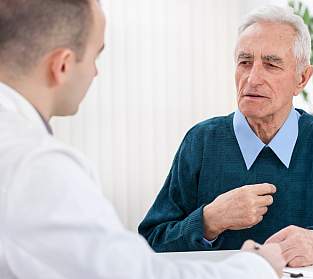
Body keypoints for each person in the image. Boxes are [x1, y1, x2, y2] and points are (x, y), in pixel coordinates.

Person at [0, 0, 286, 278]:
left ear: (303, 78)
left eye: (272, 65)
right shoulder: (35, 166)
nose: (95, 72)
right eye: (94, 57)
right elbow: (137, 265)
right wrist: (254, 265)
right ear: (61, 65)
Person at [138, 5, 313, 267]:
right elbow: (152, 240)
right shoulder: (201, 141)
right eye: (244, 62)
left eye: (271, 64)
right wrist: (209, 221)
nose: (252, 78)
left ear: (302, 78)